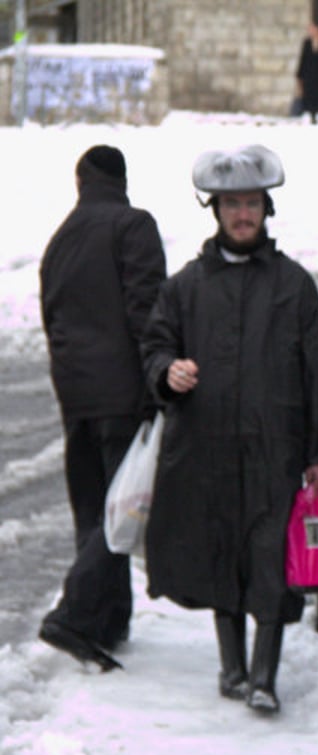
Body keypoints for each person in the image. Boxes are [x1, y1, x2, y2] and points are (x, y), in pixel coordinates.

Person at [140, 144, 318, 715]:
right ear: (216, 210)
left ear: (266, 208)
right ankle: (231, 669)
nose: (242, 213)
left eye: (252, 202)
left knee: (271, 563)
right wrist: (167, 371)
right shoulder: (185, 287)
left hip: (275, 453)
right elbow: (155, 347)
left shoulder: (293, 285)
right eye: (232, 203)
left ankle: (263, 678)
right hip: (203, 450)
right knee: (217, 556)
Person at [37, 145, 167, 672]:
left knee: (93, 507)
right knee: (123, 510)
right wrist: (157, 383)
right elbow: (147, 309)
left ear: (81, 181)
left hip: (76, 397)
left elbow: (51, 319)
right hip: (121, 396)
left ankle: (107, 622)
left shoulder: (60, 240)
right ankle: (72, 615)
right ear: (122, 179)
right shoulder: (133, 226)